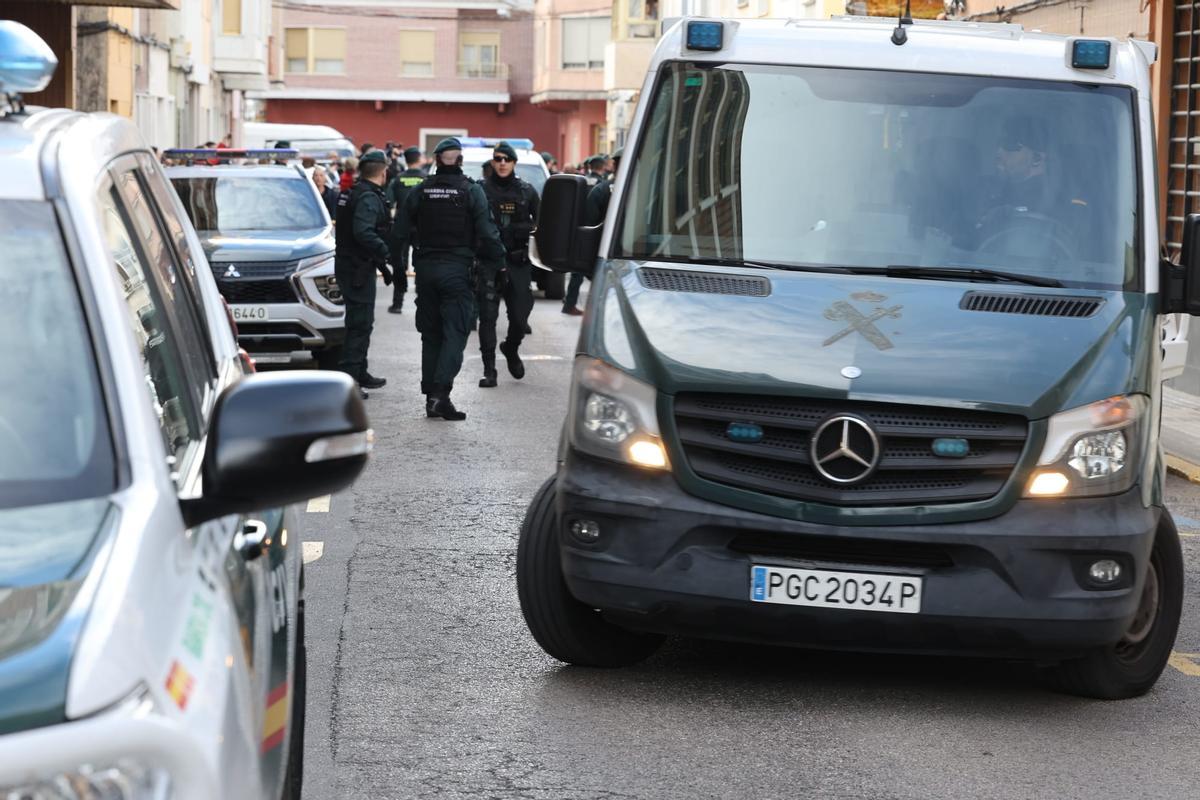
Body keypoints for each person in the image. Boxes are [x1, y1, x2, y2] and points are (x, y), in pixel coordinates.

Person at [395, 137, 505, 421]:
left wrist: (397, 270)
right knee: (455, 333)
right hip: (457, 271)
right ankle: (440, 396)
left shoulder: (420, 191)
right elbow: (488, 232)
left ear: (435, 160)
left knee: (430, 334)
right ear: (460, 161)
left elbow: (400, 232)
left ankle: (431, 394)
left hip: (426, 271)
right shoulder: (472, 191)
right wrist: (499, 263)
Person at [477, 141, 539, 388]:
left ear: (514, 163)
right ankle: (489, 370)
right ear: (493, 162)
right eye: (498, 158)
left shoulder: (527, 191)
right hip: (489, 262)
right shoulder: (479, 190)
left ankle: (511, 348)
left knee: (520, 316)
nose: (502, 163)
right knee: (488, 317)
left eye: (507, 159)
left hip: (518, 262)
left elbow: (543, 226)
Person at [334, 150, 393, 398]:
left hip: (352, 265)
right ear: (383, 171)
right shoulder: (368, 198)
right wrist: (385, 251)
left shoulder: (351, 193)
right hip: (356, 268)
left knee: (361, 323)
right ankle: (350, 380)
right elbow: (363, 232)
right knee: (359, 325)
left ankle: (360, 372)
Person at [385, 146, 426, 314]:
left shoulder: (398, 179)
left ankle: (397, 303)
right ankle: (422, 298)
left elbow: (388, 202)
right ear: (418, 159)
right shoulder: (426, 179)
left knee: (400, 264)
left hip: (402, 226)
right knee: (423, 262)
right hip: (422, 227)